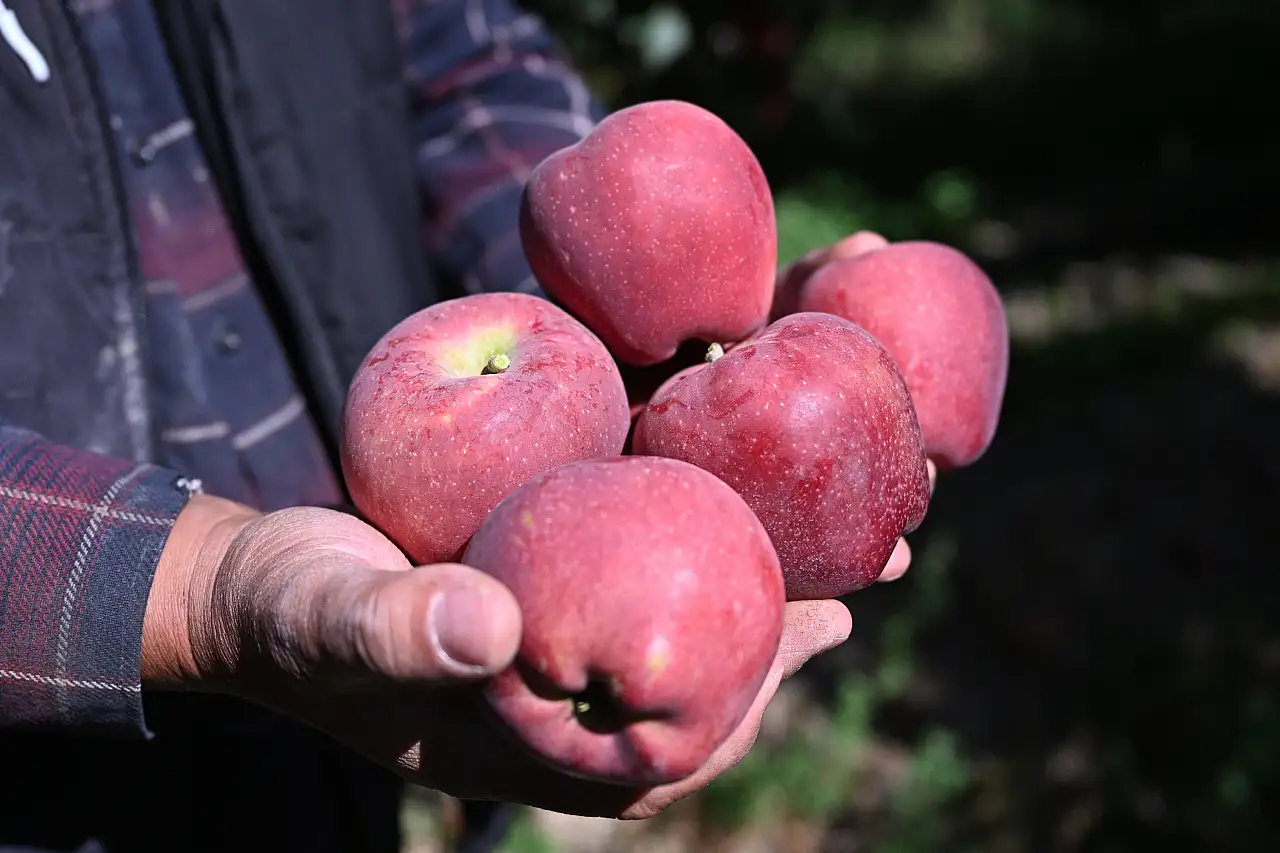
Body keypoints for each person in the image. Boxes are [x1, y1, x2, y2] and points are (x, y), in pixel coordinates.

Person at [0, 1, 927, 851]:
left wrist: (620, 290)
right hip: (54, 770)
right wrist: (199, 589)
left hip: (373, 706)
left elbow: (460, 62)